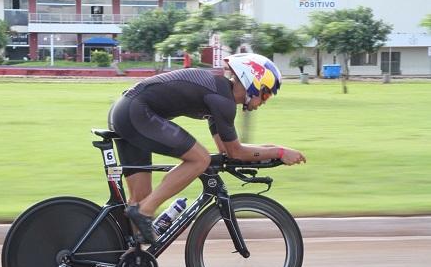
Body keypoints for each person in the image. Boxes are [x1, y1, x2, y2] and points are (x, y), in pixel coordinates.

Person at [108, 53, 306, 244]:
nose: (264, 101)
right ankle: (146, 210)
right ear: (252, 83)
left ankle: (128, 260)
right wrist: (279, 152)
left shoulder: (219, 94)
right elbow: (235, 152)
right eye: (266, 94)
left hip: (126, 111)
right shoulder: (223, 100)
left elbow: (226, 149)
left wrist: (273, 150)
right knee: (200, 159)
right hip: (136, 113)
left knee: (139, 200)